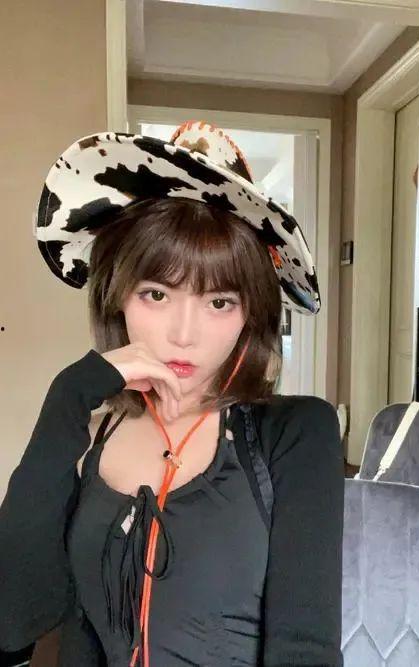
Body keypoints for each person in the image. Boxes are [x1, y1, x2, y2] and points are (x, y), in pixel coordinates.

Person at [0, 121, 344, 666]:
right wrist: (69, 393)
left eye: (219, 302)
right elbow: (15, 620)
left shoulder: (296, 432)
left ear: (251, 315)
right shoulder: (89, 431)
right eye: (156, 294)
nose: (184, 335)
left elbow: (305, 649)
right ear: (118, 297)